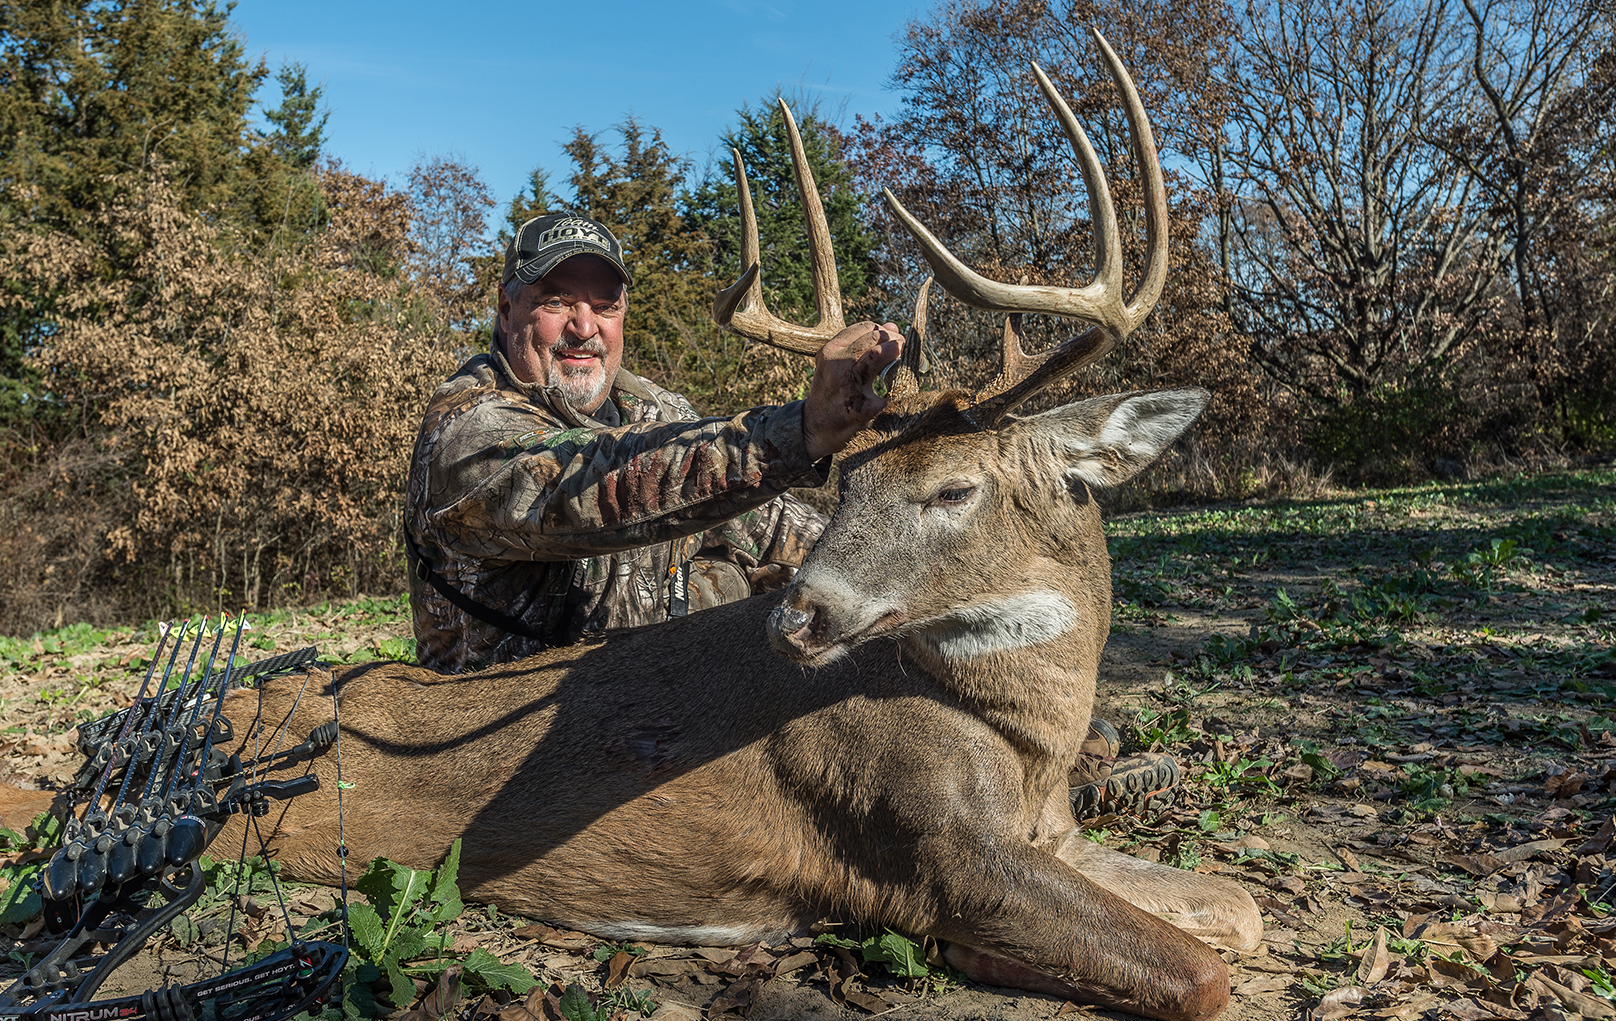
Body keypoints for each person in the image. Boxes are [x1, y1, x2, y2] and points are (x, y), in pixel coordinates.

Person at [405, 211, 1178, 813]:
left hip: (673, 700)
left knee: (832, 634)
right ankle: (994, 818)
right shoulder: (470, 432)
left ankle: (1014, 785)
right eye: (555, 303)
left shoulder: (647, 408)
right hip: (518, 744)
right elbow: (600, 489)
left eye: (601, 306)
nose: (583, 328)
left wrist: (892, 484)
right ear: (508, 308)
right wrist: (800, 431)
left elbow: (766, 528)